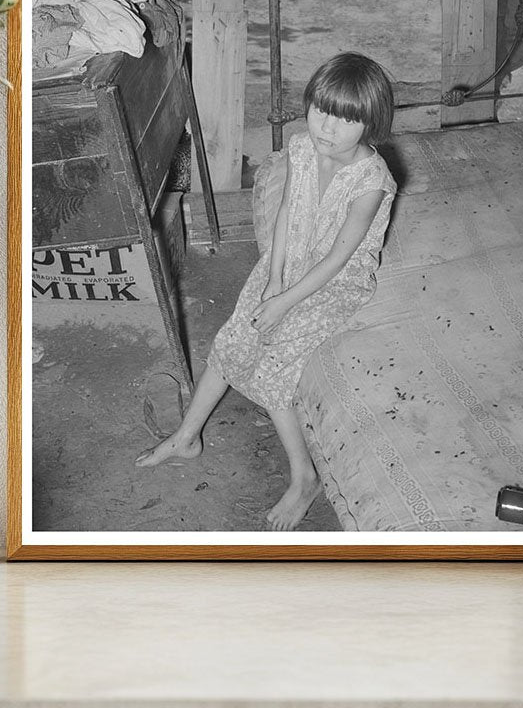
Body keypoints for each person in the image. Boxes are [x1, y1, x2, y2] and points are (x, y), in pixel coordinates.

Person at [137, 52, 397, 531]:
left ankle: (304, 479)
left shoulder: (371, 184)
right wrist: (273, 280)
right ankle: (186, 436)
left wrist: (286, 302)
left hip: (334, 282)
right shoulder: (299, 149)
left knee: (275, 364)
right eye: (321, 111)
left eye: (345, 120)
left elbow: (338, 258)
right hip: (289, 264)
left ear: (371, 123)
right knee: (234, 338)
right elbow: (285, 216)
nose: (328, 128)